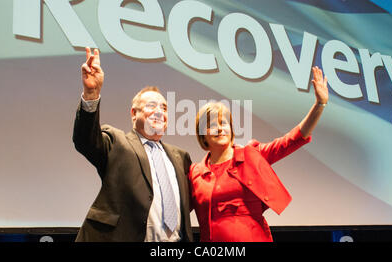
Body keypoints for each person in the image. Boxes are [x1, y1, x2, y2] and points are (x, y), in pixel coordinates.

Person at [189, 66, 329, 242]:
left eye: (224, 122)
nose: (220, 128)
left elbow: (292, 140)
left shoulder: (250, 155)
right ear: (203, 134)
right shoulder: (195, 173)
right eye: (212, 124)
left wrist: (319, 105)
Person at [73, 47, 193, 242]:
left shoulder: (181, 157)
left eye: (164, 107)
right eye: (151, 106)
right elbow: (84, 140)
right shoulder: (116, 142)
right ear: (134, 113)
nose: (159, 111)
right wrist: (91, 93)